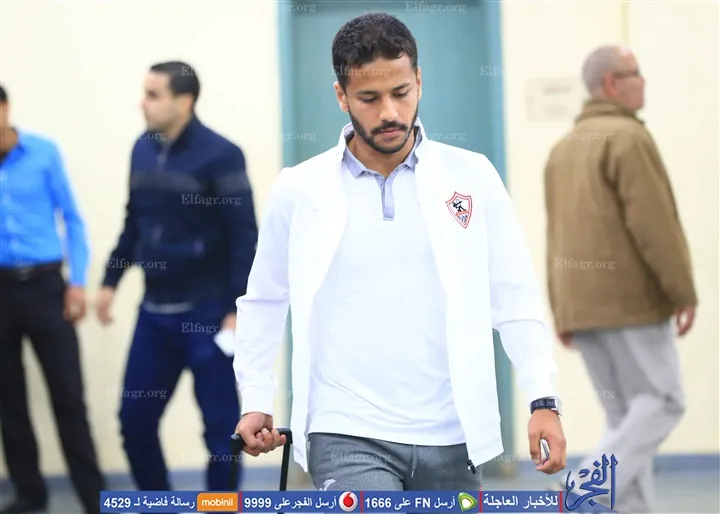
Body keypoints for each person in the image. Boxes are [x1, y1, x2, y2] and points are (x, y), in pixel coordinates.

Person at [233, 12, 567, 492]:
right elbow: (264, 300)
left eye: (401, 92)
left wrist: (542, 398)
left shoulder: (472, 176)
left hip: (452, 434)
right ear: (342, 96)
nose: (389, 112)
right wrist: (255, 397)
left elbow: (514, 297)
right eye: (369, 98)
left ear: (419, 82)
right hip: (344, 430)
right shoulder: (299, 189)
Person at [544, 45, 696, 512]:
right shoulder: (629, 138)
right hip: (630, 304)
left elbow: (555, 236)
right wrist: (682, 291)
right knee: (664, 402)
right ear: (611, 83)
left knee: (625, 417)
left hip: (581, 308)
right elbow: (655, 226)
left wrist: (561, 311)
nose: (643, 80)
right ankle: (582, 489)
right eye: (635, 73)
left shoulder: (563, 149)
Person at [94, 62, 258, 492]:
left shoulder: (222, 154)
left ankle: (219, 504)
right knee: (135, 422)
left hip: (209, 313)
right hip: (155, 315)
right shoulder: (142, 149)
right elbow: (134, 222)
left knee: (223, 432)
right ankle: (158, 503)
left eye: (153, 95)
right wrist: (110, 281)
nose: (142, 103)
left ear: (184, 102)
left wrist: (236, 309)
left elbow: (244, 237)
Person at [0, 84, 104, 514]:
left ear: (5, 108)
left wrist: (76, 283)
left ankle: (95, 497)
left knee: (68, 397)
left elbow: (73, 220)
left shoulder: (43, 152)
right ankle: (30, 493)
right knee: (9, 400)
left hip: (47, 288)